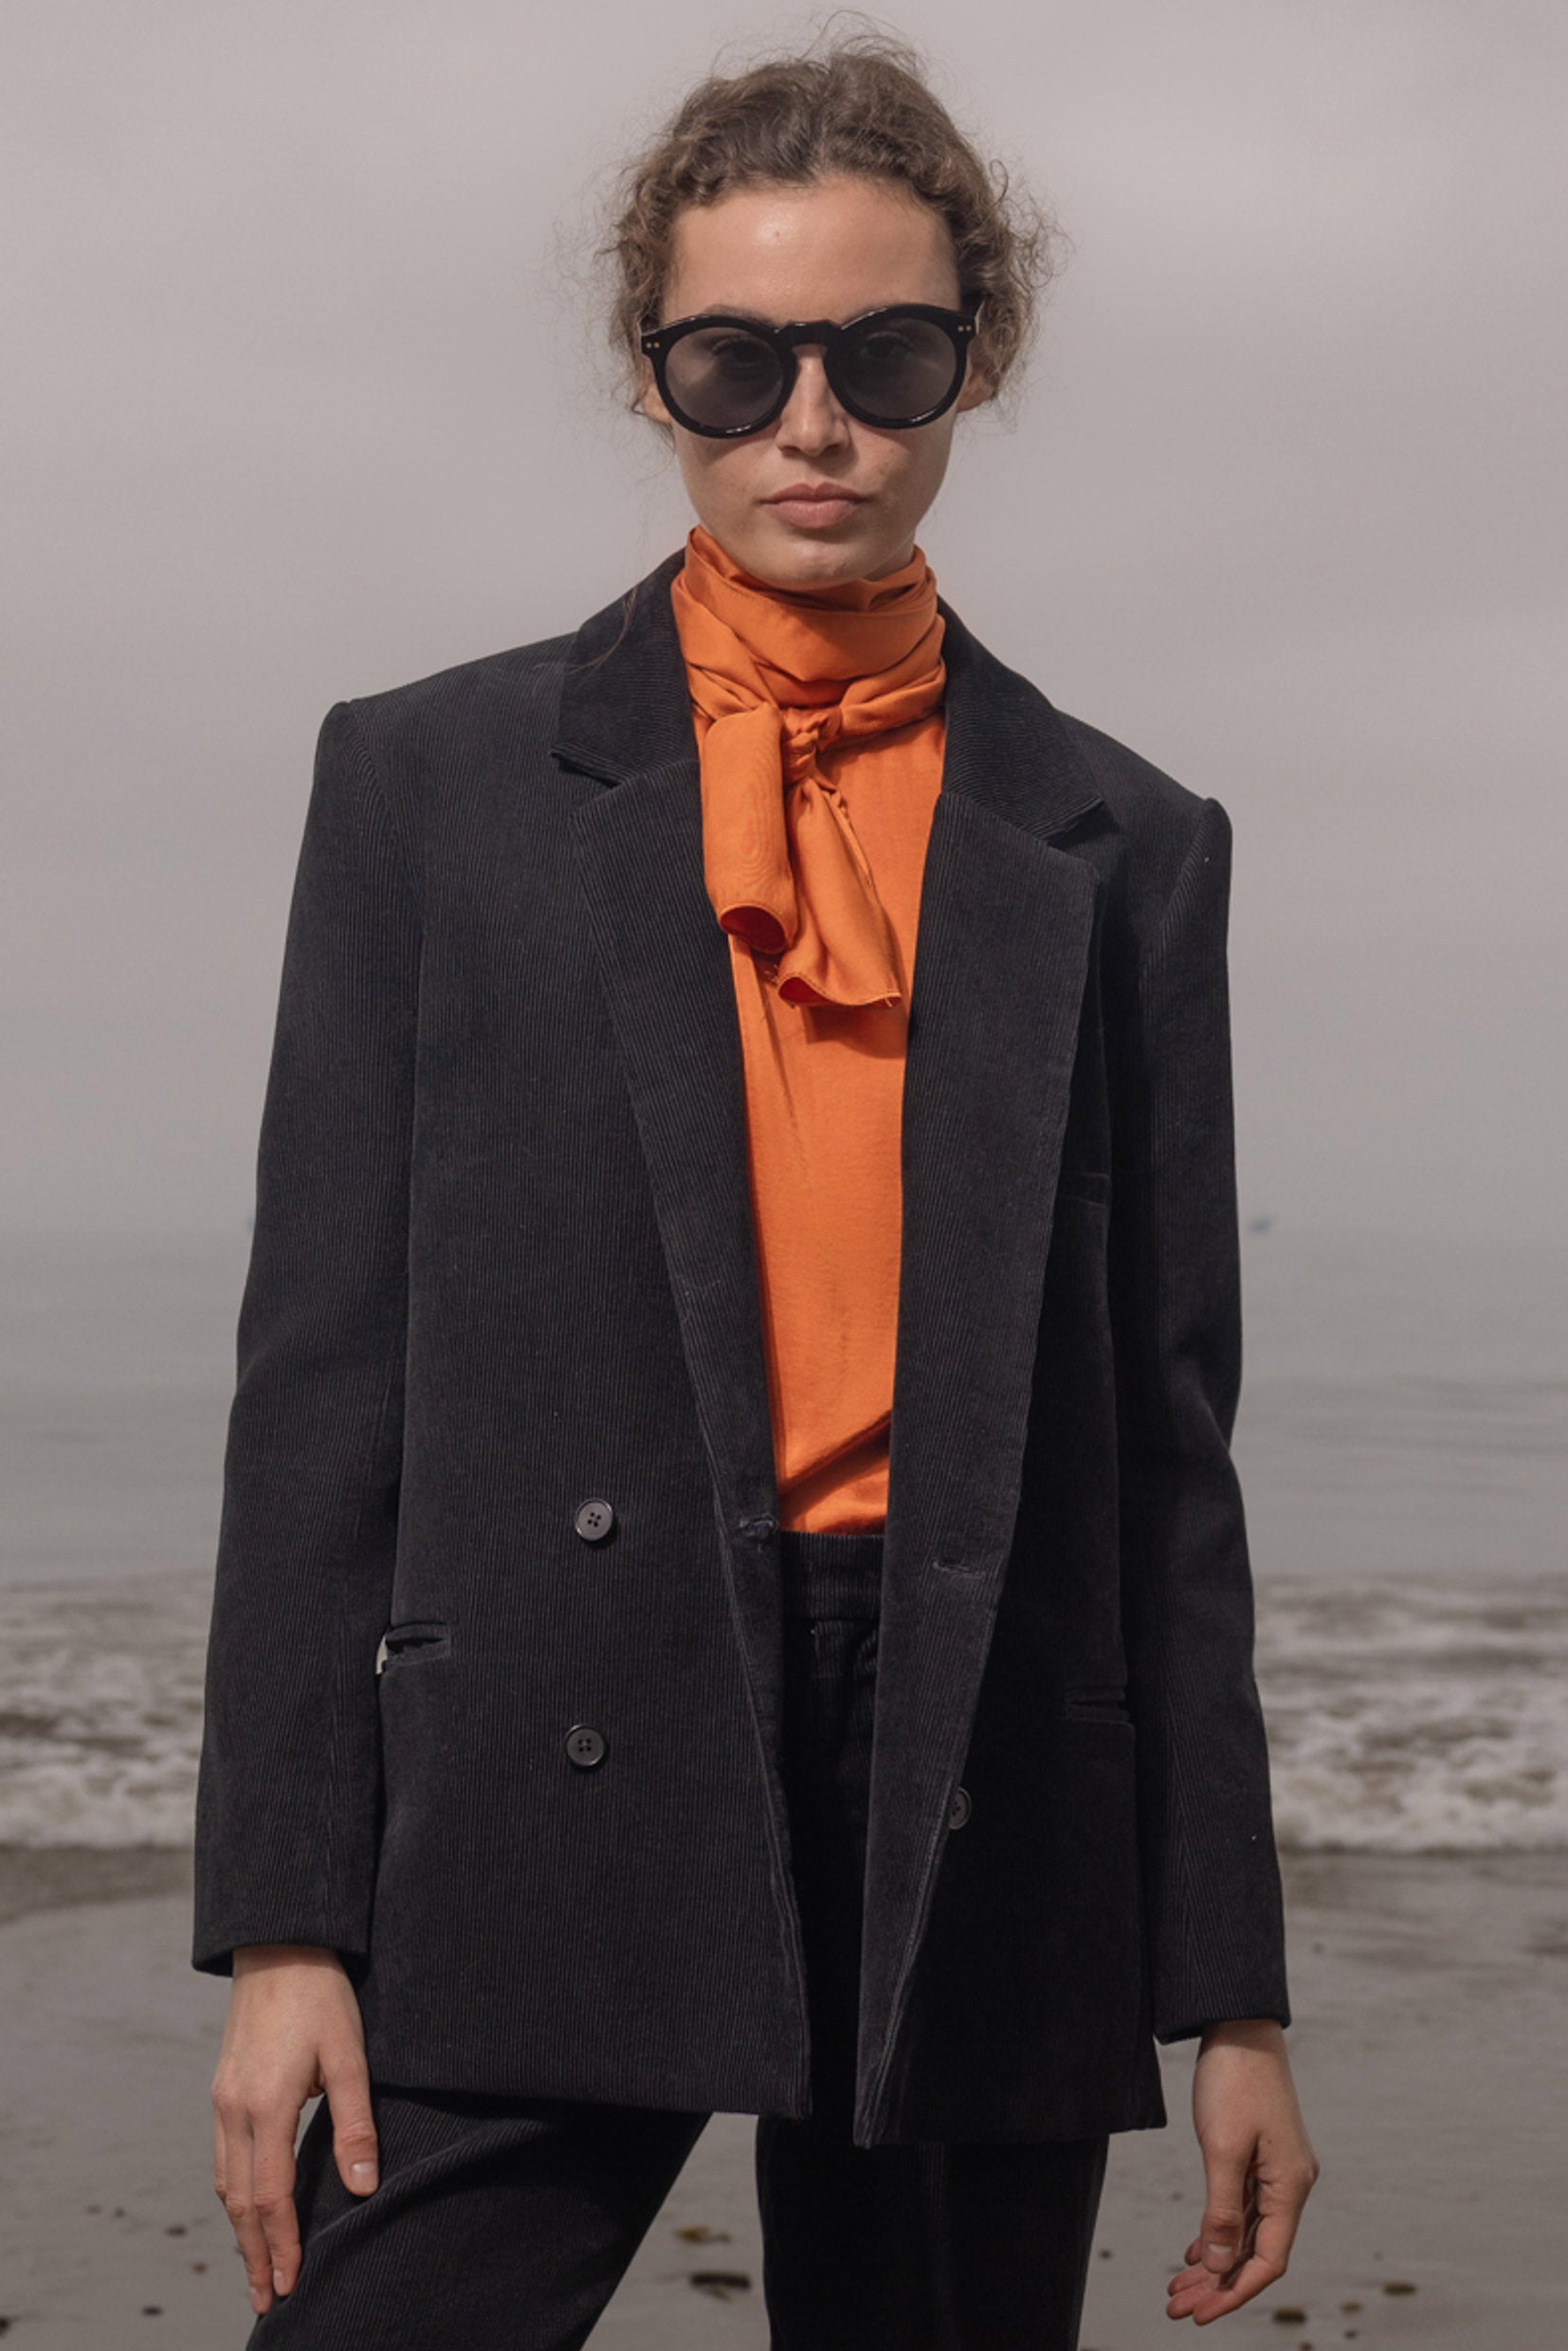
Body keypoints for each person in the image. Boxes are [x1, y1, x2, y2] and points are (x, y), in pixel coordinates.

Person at [193, 26, 1319, 2349]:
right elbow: (321, 1383)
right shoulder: (426, 783)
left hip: (977, 1767)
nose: (812, 422)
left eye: (881, 355)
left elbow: (1159, 1454)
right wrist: (287, 1927)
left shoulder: (1127, 842)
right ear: (651, 376)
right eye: (737, 361)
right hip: (555, 1724)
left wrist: (1228, 1991)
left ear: (972, 359)